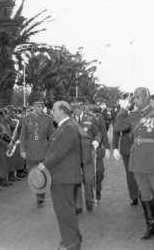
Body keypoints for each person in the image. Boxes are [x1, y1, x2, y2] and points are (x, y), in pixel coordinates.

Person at [114, 87, 154, 242]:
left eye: (137, 98)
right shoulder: (133, 114)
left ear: (146, 99)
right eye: (133, 98)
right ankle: (151, 226)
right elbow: (118, 127)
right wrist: (123, 108)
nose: (134, 100)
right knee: (144, 193)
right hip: (138, 160)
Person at [38, 100, 82, 250]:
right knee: (65, 209)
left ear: (62, 111)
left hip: (64, 176)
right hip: (62, 175)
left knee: (64, 209)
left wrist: (45, 164)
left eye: (54, 110)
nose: (51, 112)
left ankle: (71, 243)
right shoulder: (66, 126)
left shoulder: (68, 127)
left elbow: (61, 152)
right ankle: (71, 238)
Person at [20, 91, 54, 207]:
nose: (41, 108)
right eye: (38, 106)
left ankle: (40, 197)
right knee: (33, 174)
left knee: (42, 173)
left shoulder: (48, 119)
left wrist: (51, 151)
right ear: (34, 107)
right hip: (30, 150)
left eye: (42, 106)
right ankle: (37, 194)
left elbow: (52, 136)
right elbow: (23, 136)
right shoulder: (26, 119)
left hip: (43, 151)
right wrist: (22, 150)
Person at [71, 98, 102, 212]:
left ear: (82, 107)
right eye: (74, 109)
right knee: (76, 180)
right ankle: (78, 205)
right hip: (73, 155)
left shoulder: (91, 118)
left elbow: (97, 132)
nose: (76, 111)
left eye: (78, 108)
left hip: (87, 153)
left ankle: (89, 199)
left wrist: (96, 141)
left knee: (88, 179)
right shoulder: (69, 119)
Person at [113, 95, 139, 206]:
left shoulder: (143, 113)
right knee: (130, 173)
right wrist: (115, 147)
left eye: (136, 100)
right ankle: (134, 196)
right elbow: (116, 130)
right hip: (127, 145)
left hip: (141, 145)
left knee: (141, 171)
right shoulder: (122, 114)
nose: (134, 103)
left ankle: (144, 194)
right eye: (132, 101)